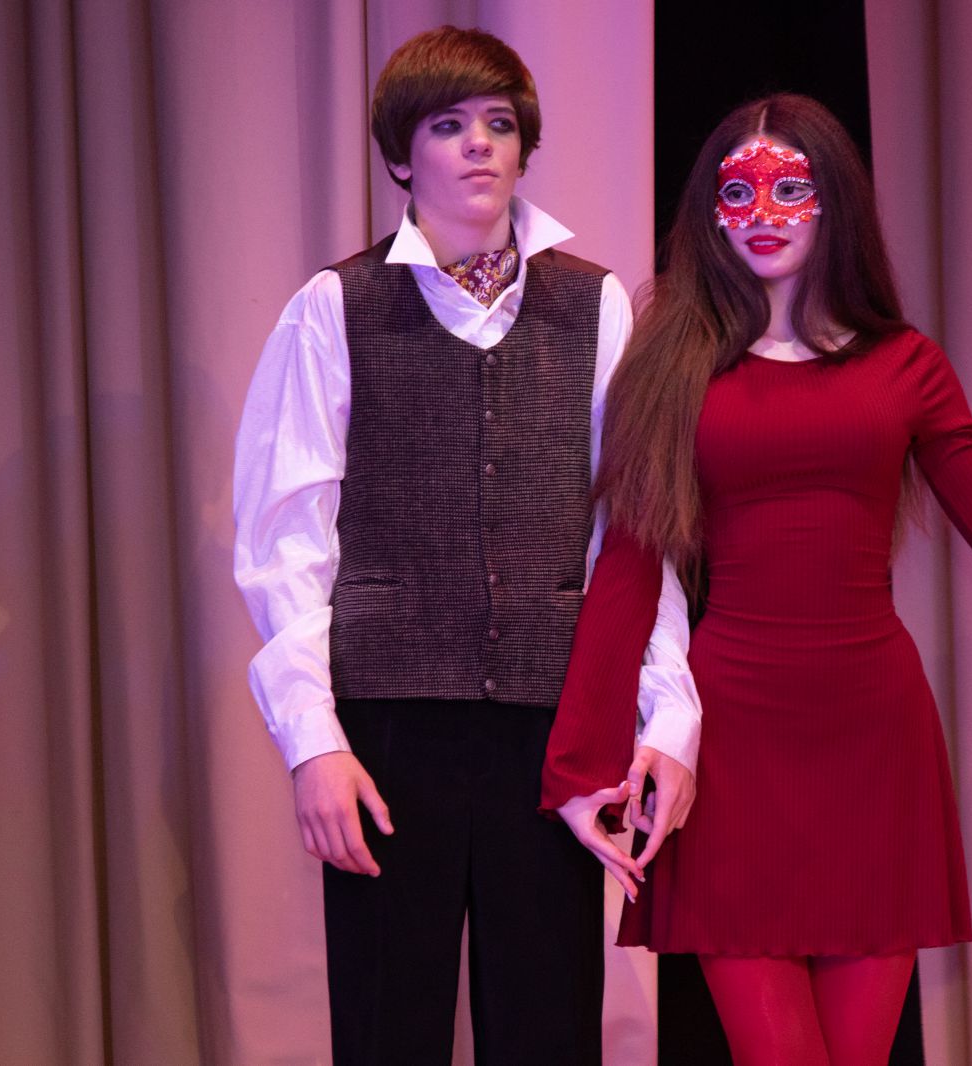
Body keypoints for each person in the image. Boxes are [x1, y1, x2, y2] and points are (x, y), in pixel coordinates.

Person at [544, 93, 972, 1066]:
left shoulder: (905, 365)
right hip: (736, 753)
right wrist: (582, 767)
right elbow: (627, 569)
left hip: (874, 745)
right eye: (737, 192)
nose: (761, 213)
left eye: (789, 189)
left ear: (834, 202)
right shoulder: (671, 365)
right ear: (710, 214)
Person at [233, 26, 700, 1065]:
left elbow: (635, 536)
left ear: (524, 147)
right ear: (402, 158)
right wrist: (314, 741)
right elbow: (284, 543)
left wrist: (668, 712)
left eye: (498, 124)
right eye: (448, 126)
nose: (480, 144)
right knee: (388, 1027)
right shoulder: (336, 307)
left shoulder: (593, 305)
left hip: (552, 725)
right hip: (388, 727)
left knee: (548, 1028)